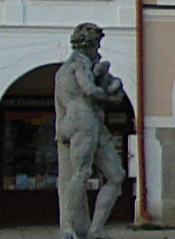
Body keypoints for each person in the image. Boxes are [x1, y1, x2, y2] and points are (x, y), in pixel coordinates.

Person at [55, 23, 127, 239]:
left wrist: (109, 80)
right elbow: (89, 91)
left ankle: (94, 231)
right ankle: (67, 228)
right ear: (90, 44)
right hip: (82, 121)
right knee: (81, 173)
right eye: (97, 45)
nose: (99, 50)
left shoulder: (66, 70)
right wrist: (111, 96)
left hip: (87, 123)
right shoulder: (79, 63)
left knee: (116, 175)